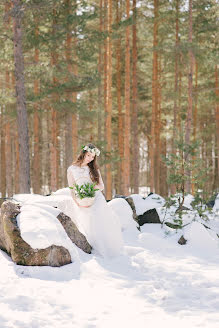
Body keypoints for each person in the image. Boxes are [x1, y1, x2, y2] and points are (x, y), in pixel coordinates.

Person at [67, 143, 124, 258]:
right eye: (88, 155)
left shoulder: (93, 168)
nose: (90, 159)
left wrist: (89, 189)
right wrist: (77, 201)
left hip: (96, 198)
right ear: (83, 153)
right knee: (88, 223)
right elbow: (72, 188)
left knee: (99, 220)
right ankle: (93, 250)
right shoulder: (71, 169)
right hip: (82, 200)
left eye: (92, 157)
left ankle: (107, 250)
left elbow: (101, 186)